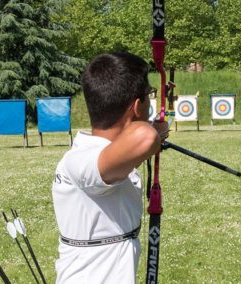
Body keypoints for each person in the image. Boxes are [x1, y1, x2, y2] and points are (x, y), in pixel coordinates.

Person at [52, 52, 168, 284]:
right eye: (149, 95)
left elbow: (129, 150)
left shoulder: (103, 156)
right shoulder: (79, 162)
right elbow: (144, 138)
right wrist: (154, 135)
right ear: (137, 106)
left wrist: (154, 136)